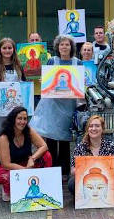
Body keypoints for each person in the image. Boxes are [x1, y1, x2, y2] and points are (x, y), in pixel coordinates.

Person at [30, 34, 82, 176]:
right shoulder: (52, 61)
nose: (64, 47)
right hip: (52, 105)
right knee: (51, 137)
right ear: (57, 47)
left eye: (67, 44)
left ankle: (64, 171)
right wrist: (43, 80)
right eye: (61, 44)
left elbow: (80, 83)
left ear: (71, 47)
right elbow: (47, 80)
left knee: (65, 139)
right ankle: (52, 171)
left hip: (68, 105)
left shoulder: (78, 63)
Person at [0, 107, 52, 201]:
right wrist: (25, 171)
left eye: (25, 119)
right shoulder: (4, 137)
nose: (22, 122)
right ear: (13, 119)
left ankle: (44, 184)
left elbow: (44, 146)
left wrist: (32, 158)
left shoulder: (29, 130)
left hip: (25, 163)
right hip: (5, 168)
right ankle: (7, 189)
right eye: (19, 118)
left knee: (47, 155)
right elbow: (6, 164)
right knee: (8, 177)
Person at [68, 115, 114, 206]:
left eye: (97, 126)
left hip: (105, 179)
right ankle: (110, 198)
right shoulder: (80, 147)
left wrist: (107, 173)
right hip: (87, 180)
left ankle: (104, 198)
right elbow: (73, 170)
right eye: (91, 126)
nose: (94, 128)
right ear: (87, 129)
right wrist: (85, 173)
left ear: (102, 129)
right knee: (72, 183)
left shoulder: (110, 145)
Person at [28, 32, 48, 108]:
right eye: (32, 40)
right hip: (30, 92)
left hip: (44, 93)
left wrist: (46, 79)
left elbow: (51, 74)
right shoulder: (21, 59)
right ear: (28, 42)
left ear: (40, 41)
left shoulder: (47, 56)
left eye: (36, 40)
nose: (34, 42)